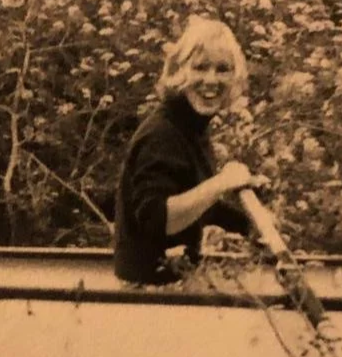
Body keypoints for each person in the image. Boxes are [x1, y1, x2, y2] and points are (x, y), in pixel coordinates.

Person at [113, 15, 268, 285]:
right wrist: (220, 183)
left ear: (235, 77)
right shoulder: (162, 134)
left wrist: (249, 224)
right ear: (179, 72)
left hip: (174, 284)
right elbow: (158, 221)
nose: (211, 80)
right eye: (200, 67)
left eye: (222, 69)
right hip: (148, 298)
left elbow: (193, 204)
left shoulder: (190, 126)